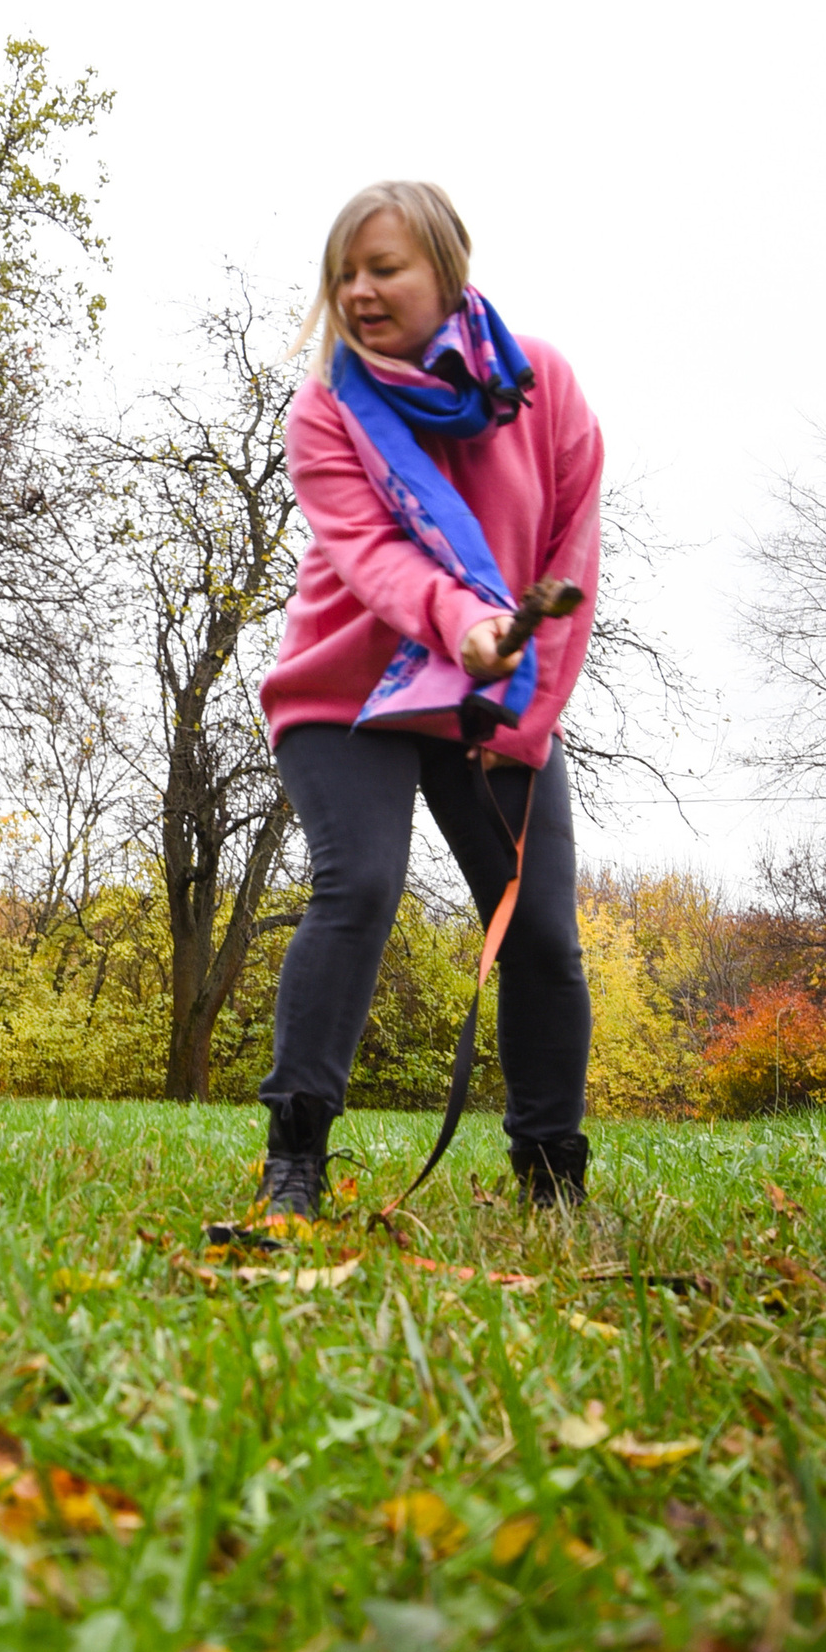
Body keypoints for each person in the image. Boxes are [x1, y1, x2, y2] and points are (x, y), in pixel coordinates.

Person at [253, 180, 603, 1220]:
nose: (358, 290)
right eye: (343, 273)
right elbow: (370, 559)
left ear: (446, 267)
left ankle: (549, 1175)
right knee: (357, 886)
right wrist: (465, 627)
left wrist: (522, 711)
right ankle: (294, 1160)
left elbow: (567, 555)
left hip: (496, 698)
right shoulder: (326, 408)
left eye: (383, 267)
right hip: (345, 685)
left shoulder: (545, 386)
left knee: (540, 930)